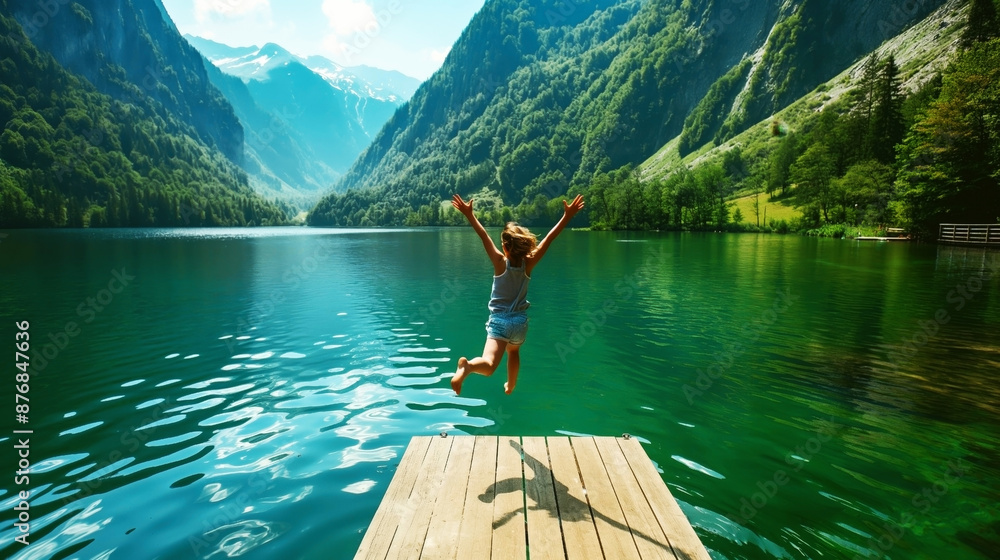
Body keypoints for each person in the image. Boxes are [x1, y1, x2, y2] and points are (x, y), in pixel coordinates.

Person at [450, 193, 585, 395]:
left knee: (488, 364)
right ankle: (511, 385)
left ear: (505, 247)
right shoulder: (528, 264)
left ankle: (467, 367)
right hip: (519, 324)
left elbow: (483, 235)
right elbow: (549, 238)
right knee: (513, 351)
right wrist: (567, 216)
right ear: (524, 247)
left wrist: (469, 214)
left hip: (499, 322)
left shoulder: (499, 262)